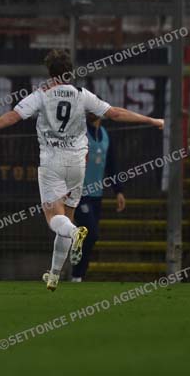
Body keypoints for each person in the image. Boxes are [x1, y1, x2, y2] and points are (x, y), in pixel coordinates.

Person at [0, 50, 163, 291]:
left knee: (54, 218)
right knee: (66, 217)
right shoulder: (82, 94)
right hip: (78, 164)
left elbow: (12, 117)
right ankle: (54, 275)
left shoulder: (41, 94)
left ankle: (76, 232)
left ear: (50, 72)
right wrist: (152, 120)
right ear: (70, 72)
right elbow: (115, 113)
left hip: (52, 162)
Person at [71, 113, 125, 282]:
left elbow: (111, 165)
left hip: (96, 195)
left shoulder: (105, 135)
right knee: (91, 232)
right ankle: (77, 273)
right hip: (79, 194)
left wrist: (118, 191)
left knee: (91, 237)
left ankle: (78, 276)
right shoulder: (79, 133)